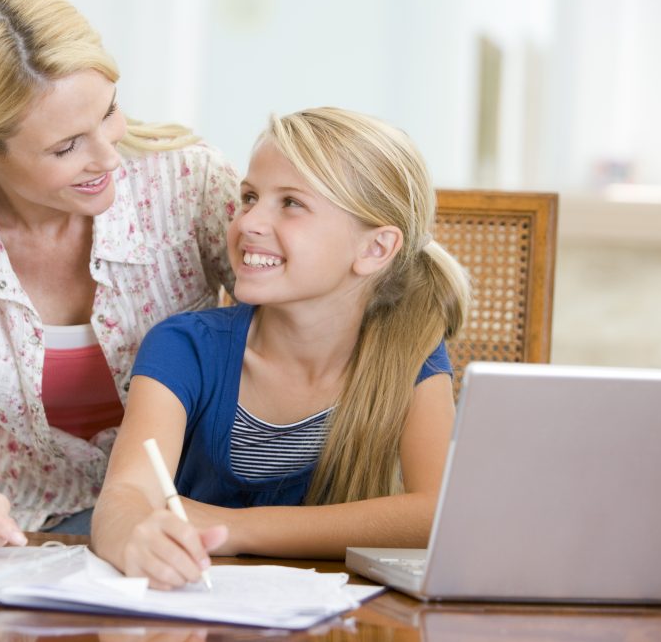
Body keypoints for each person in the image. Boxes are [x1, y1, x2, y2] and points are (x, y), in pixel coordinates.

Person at [0, 0, 238, 557]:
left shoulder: (188, 185)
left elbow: (304, 329)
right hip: (21, 542)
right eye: (66, 147)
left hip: (193, 524)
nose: (110, 157)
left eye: (110, 112)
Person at [91, 107, 471, 589]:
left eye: (290, 203)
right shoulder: (184, 346)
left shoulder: (410, 350)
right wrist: (133, 538)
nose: (249, 221)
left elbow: (436, 513)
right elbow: (125, 495)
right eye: (249, 197)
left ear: (374, 249)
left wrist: (234, 529)